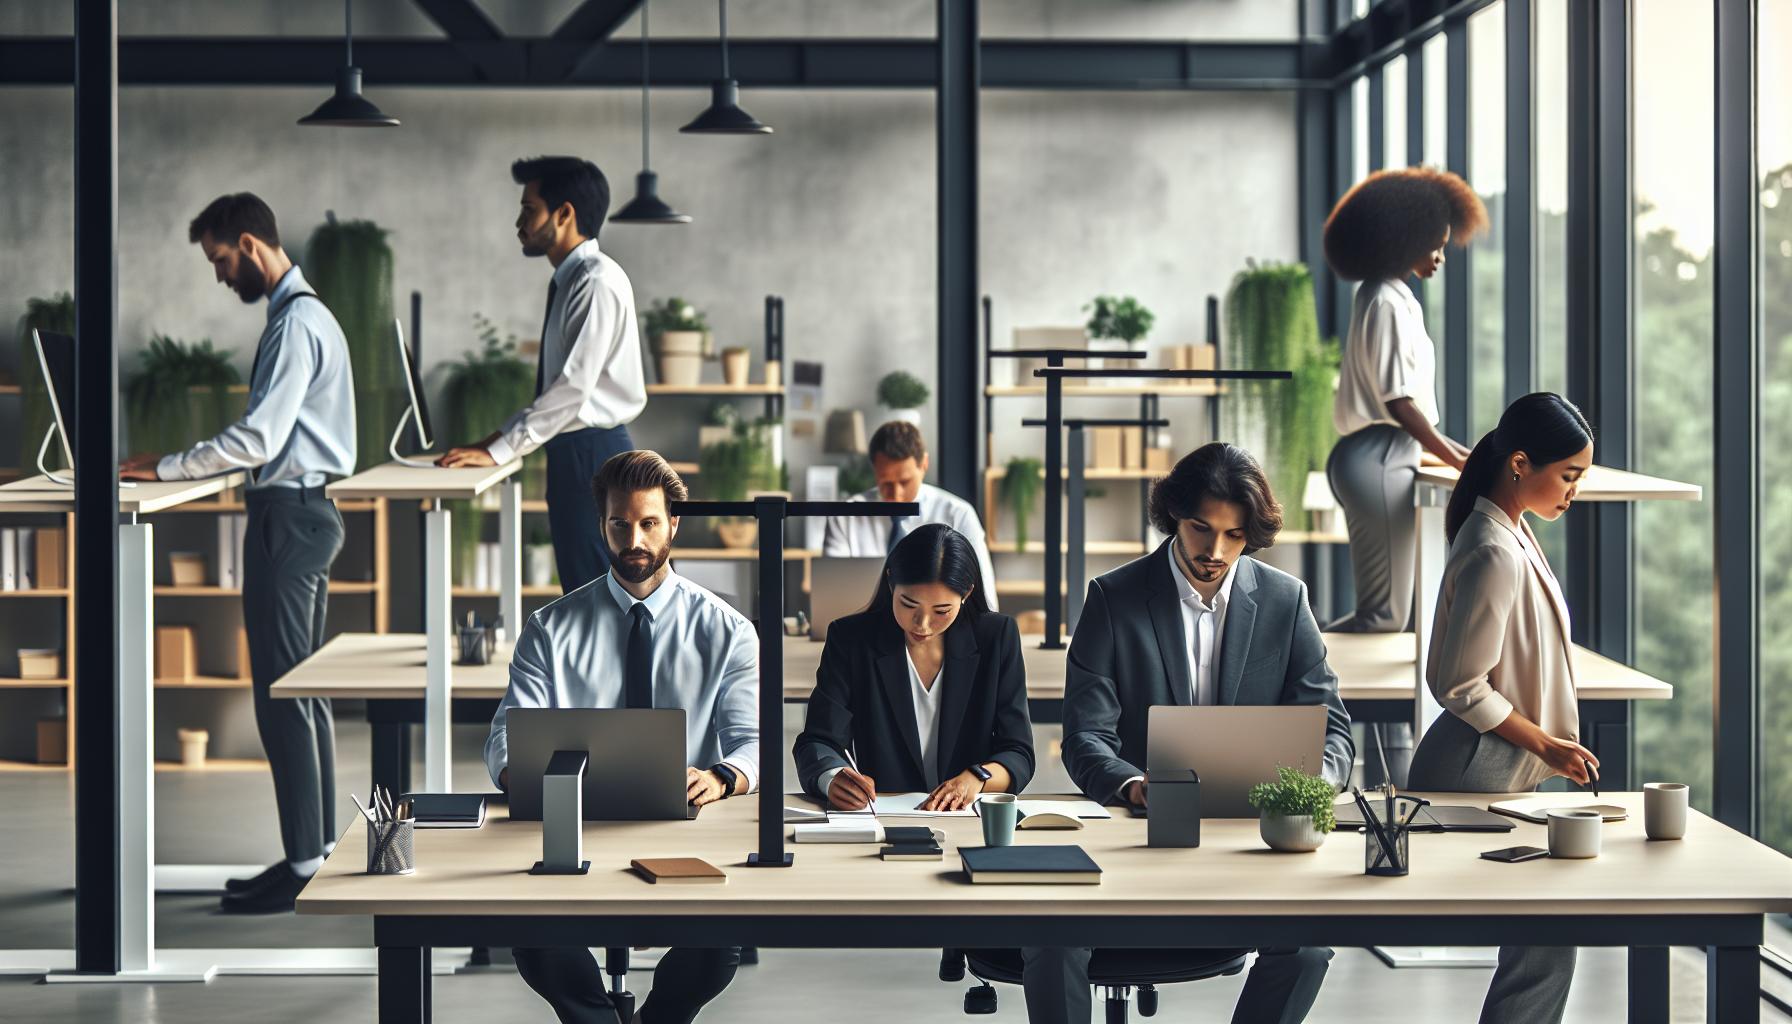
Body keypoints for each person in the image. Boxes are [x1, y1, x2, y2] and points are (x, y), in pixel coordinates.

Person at [1026, 443, 1353, 1024]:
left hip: (1250, 842)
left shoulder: (1285, 599)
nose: (1216, 550)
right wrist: (1132, 785)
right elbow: (1084, 737)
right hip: (1135, 840)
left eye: (1234, 535)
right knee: (1051, 944)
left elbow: (1335, 736)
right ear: (1173, 515)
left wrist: (1305, 787)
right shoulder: (1113, 597)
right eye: (1202, 529)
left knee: (1307, 947)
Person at [120, 193, 355, 913]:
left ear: (250, 246)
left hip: (289, 516)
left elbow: (257, 440)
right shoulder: (305, 316)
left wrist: (165, 467)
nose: (221, 276)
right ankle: (308, 857)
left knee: (284, 696)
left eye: (221, 261)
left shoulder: (294, 324)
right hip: (305, 511)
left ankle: (306, 865)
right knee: (299, 694)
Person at [484, 450, 754, 1024]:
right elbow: (505, 741)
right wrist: (529, 777)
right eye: (619, 524)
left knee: (719, 944)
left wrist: (719, 776)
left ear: (673, 524)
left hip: (687, 829)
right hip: (573, 824)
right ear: (601, 526)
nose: (634, 539)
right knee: (534, 935)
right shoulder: (550, 628)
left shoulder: (728, 632)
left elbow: (751, 743)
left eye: (649, 523)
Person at [1407, 392, 1597, 1024]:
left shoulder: (1510, 531)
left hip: (1500, 761)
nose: (1574, 491)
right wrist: (1547, 744)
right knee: (1546, 939)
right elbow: (1460, 684)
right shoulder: (1493, 547)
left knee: (1546, 940)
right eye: (1568, 476)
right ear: (1520, 463)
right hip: (1475, 768)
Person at [1321, 166, 1488, 785]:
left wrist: (1453, 451)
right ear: (1399, 237)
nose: (1442, 254)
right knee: (1385, 620)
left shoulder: (1383, 294)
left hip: (1380, 455)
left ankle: (1388, 768)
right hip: (1384, 452)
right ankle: (1297, 669)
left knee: (1397, 617)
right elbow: (1399, 399)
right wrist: (1453, 457)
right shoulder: (1387, 300)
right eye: (1434, 242)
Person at [438, 156, 646, 594]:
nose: (519, 222)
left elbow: (572, 389)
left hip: (592, 454)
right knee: (586, 591)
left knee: (602, 598)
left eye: (529, 210)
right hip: (577, 453)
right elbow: (562, 390)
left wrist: (502, 450)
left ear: (564, 214)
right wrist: (493, 443)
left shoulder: (595, 282)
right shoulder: (574, 280)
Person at [794, 524, 1034, 812]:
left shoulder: (997, 637)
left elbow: (1018, 751)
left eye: (942, 611)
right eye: (908, 605)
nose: (922, 624)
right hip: (883, 819)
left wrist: (976, 778)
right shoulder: (851, 639)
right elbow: (818, 741)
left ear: (967, 594)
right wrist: (832, 778)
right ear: (891, 582)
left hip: (969, 819)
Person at [820, 421, 998, 609]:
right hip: (862, 631)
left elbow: (985, 601)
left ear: (924, 465)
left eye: (905, 482)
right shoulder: (845, 517)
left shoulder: (958, 515)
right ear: (875, 471)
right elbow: (831, 598)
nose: (896, 494)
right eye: (886, 483)